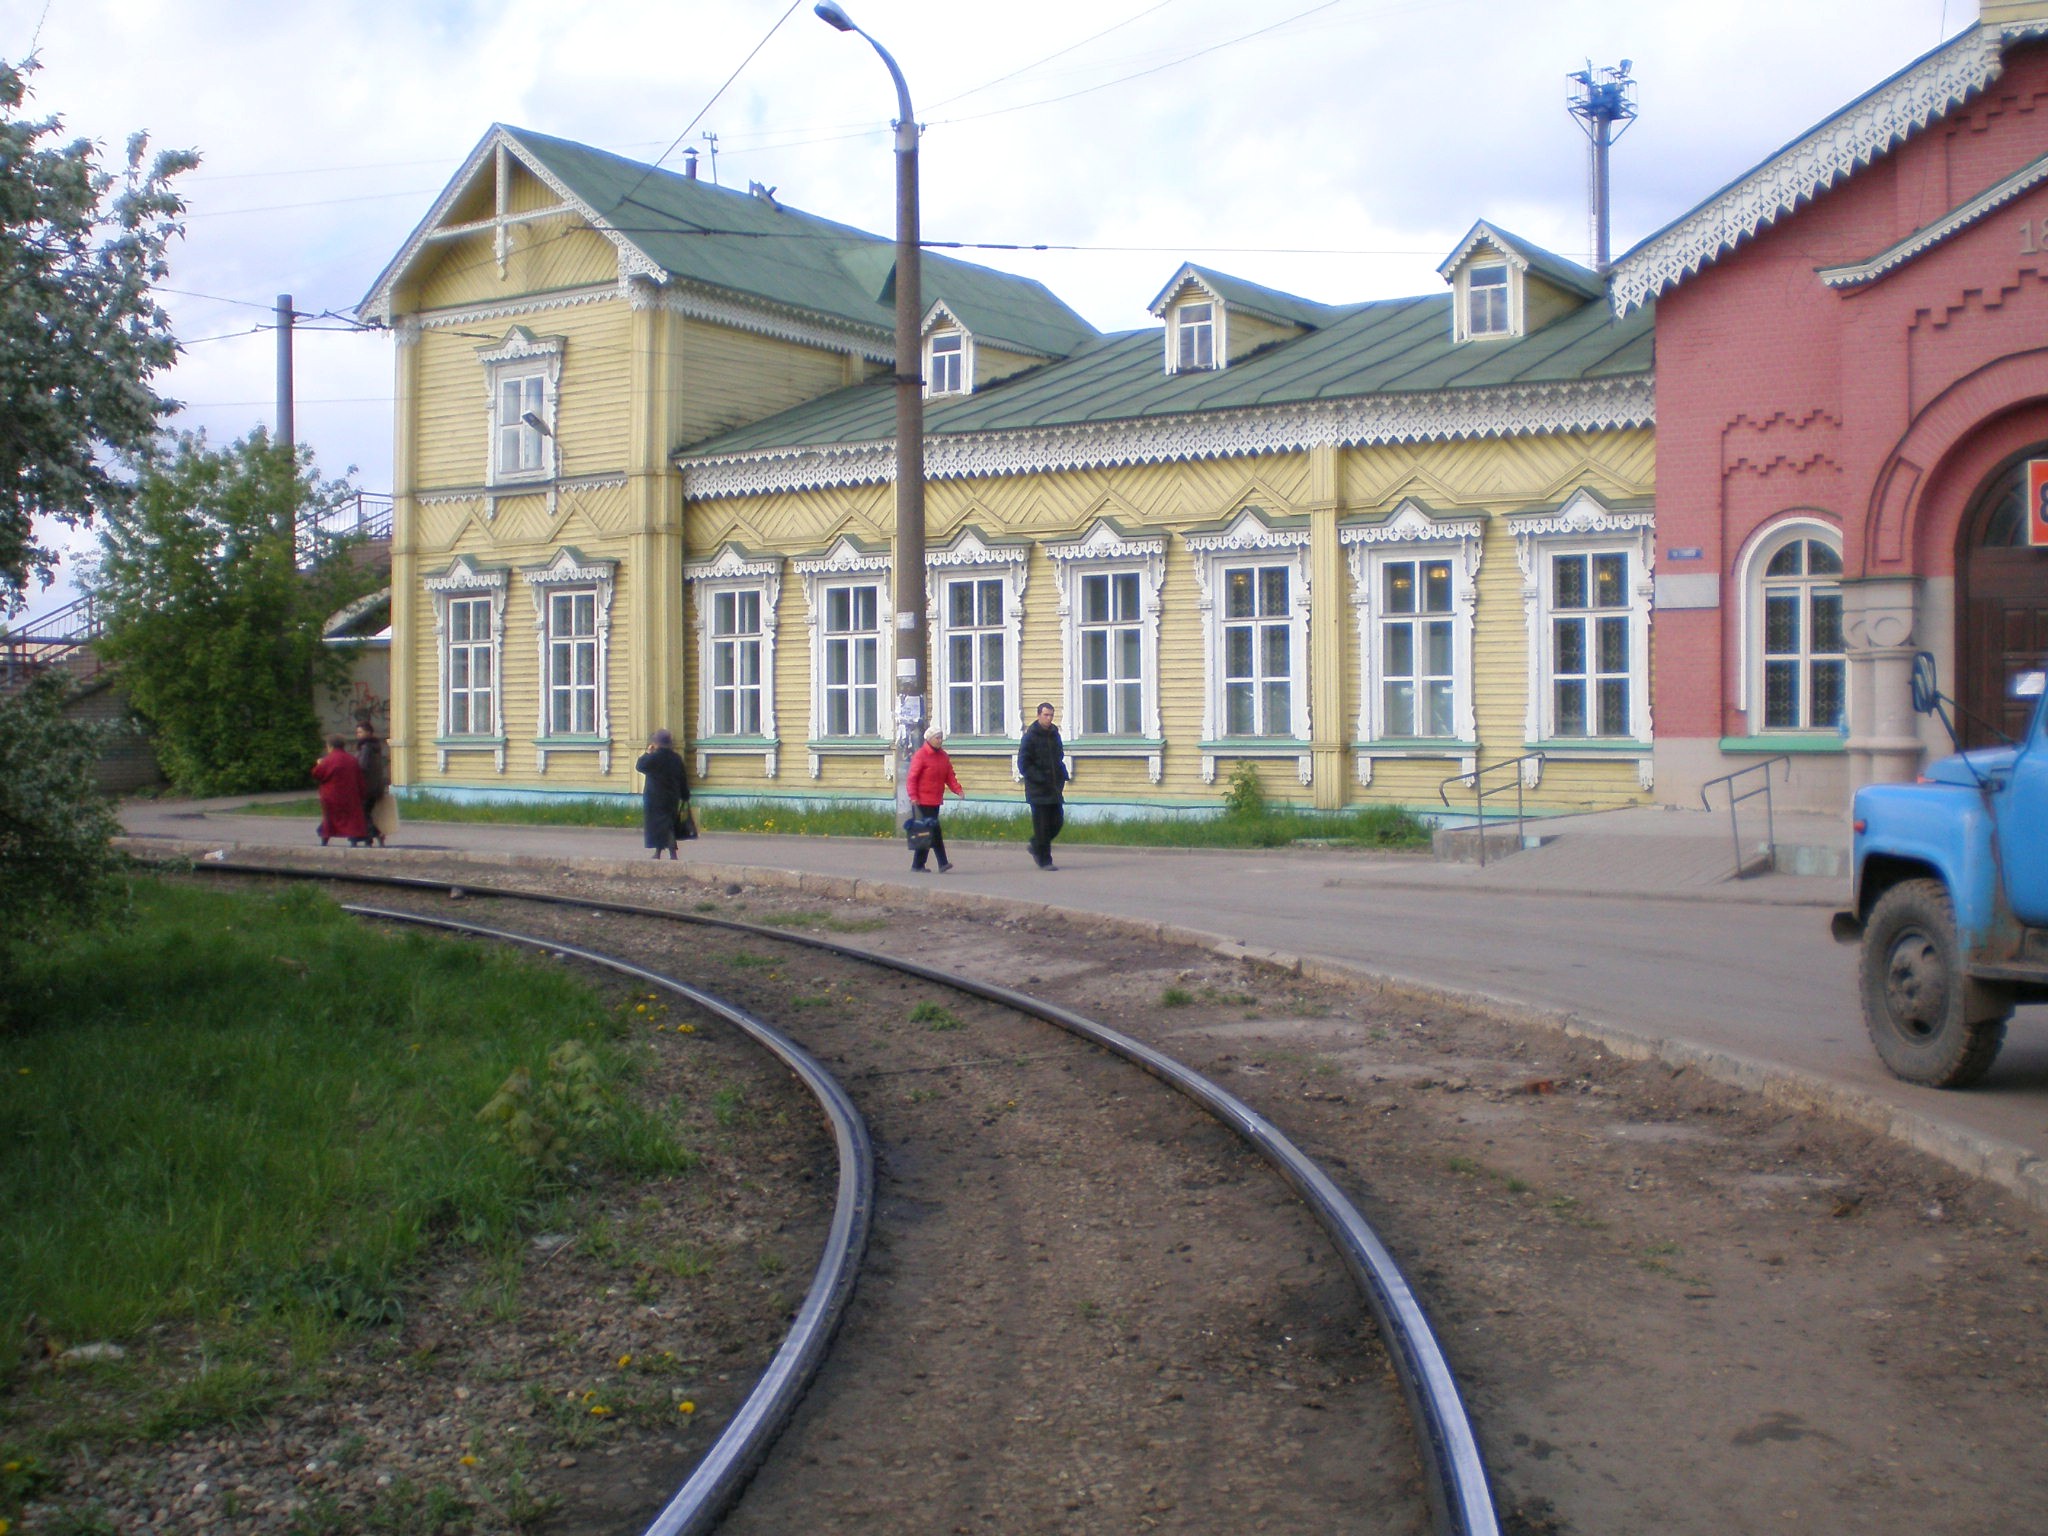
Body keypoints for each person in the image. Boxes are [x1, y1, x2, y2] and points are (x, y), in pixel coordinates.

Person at [1017, 701, 1069, 870]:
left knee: (1057, 822)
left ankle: (1035, 844)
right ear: (1038, 715)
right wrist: (1039, 778)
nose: (1049, 718)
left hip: (1054, 788)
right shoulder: (1030, 737)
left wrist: (1062, 775)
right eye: (1046, 715)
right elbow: (1023, 764)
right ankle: (1045, 860)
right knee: (1042, 826)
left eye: (1051, 715)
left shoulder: (1054, 734)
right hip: (1038, 790)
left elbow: (1059, 757)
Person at [906, 724, 965, 873]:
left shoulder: (943, 756)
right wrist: (913, 796)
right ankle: (942, 862)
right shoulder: (921, 755)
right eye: (937, 738)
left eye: (941, 738)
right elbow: (912, 778)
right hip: (921, 801)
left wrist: (957, 789)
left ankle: (918, 865)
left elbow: (949, 776)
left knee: (925, 833)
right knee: (934, 831)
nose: (940, 740)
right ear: (929, 739)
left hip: (935, 800)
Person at [636, 728, 690, 860]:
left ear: (656, 743)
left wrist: (648, 752)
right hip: (672, 797)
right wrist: (685, 795)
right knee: (667, 823)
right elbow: (682, 777)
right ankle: (659, 853)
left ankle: (672, 853)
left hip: (655, 797)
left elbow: (640, 766)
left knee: (661, 826)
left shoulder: (654, 757)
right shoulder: (676, 758)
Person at [312, 735, 371, 847]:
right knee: (351, 820)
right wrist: (362, 794)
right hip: (350, 795)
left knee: (329, 819)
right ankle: (353, 840)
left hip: (331, 796)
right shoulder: (352, 760)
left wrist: (319, 764)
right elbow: (360, 779)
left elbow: (317, 774)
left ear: (330, 746)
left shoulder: (328, 760)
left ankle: (325, 839)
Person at [354, 719, 392, 848]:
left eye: (360, 732)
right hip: (375, 786)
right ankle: (368, 838)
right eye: (357, 732)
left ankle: (373, 834)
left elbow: (362, 766)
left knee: (363, 813)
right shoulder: (375, 746)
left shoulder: (366, 747)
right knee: (366, 812)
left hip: (367, 786)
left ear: (369, 732)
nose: (358, 735)